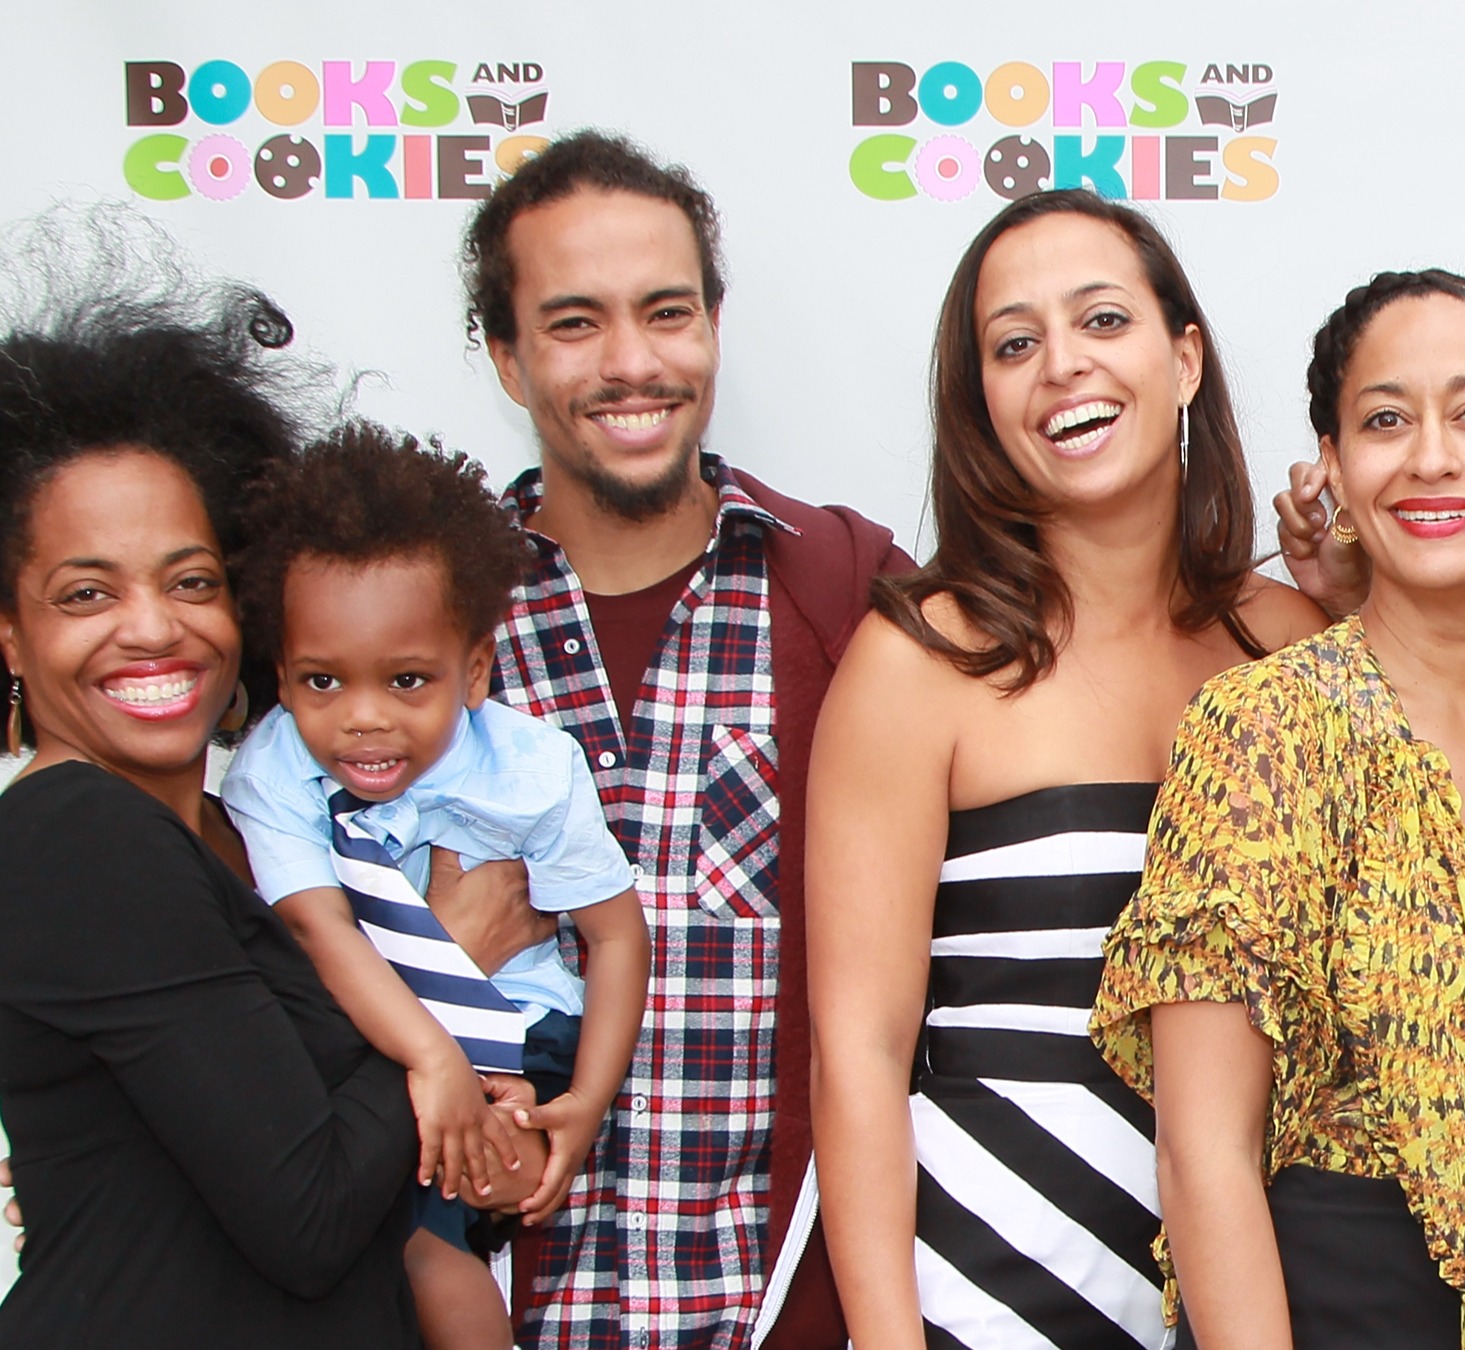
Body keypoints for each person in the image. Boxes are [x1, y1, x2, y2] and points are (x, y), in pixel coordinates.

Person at [1094, 270, 1465, 1350]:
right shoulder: (1265, 727)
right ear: (1338, 468)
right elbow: (1202, 1153)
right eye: (1386, 420)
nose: (1433, 456)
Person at [808, 188, 1322, 1350]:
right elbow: (861, 1054)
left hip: (1263, 1289)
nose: (1061, 368)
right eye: (1014, 343)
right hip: (987, 1291)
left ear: (1183, 357)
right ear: (982, 400)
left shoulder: (1289, 646)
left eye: (1101, 321)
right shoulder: (921, 659)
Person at [459, 129, 910, 1350]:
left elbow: (1079, 693)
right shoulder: (425, 620)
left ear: (714, 325)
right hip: (496, 1309)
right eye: (573, 324)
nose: (632, 363)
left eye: (667, 312)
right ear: (504, 357)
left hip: (777, 1312)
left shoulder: (843, 586)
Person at [0, 237, 421, 1345]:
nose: (153, 627)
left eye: (191, 581)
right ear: (9, 631)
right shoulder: (80, 835)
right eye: (85, 592)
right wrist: (453, 975)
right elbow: (311, 1211)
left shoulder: (244, 833)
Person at [217, 424, 653, 1350]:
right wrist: (432, 1060)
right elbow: (321, 933)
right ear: (281, 673)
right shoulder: (273, 774)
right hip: (383, 1047)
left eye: (408, 680)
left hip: (525, 1030)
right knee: (374, 1238)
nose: (364, 720)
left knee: (429, 1237)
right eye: (321, 680)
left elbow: (616, 935)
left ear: (478, 670)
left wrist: (588, 1100)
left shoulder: (529, 771)